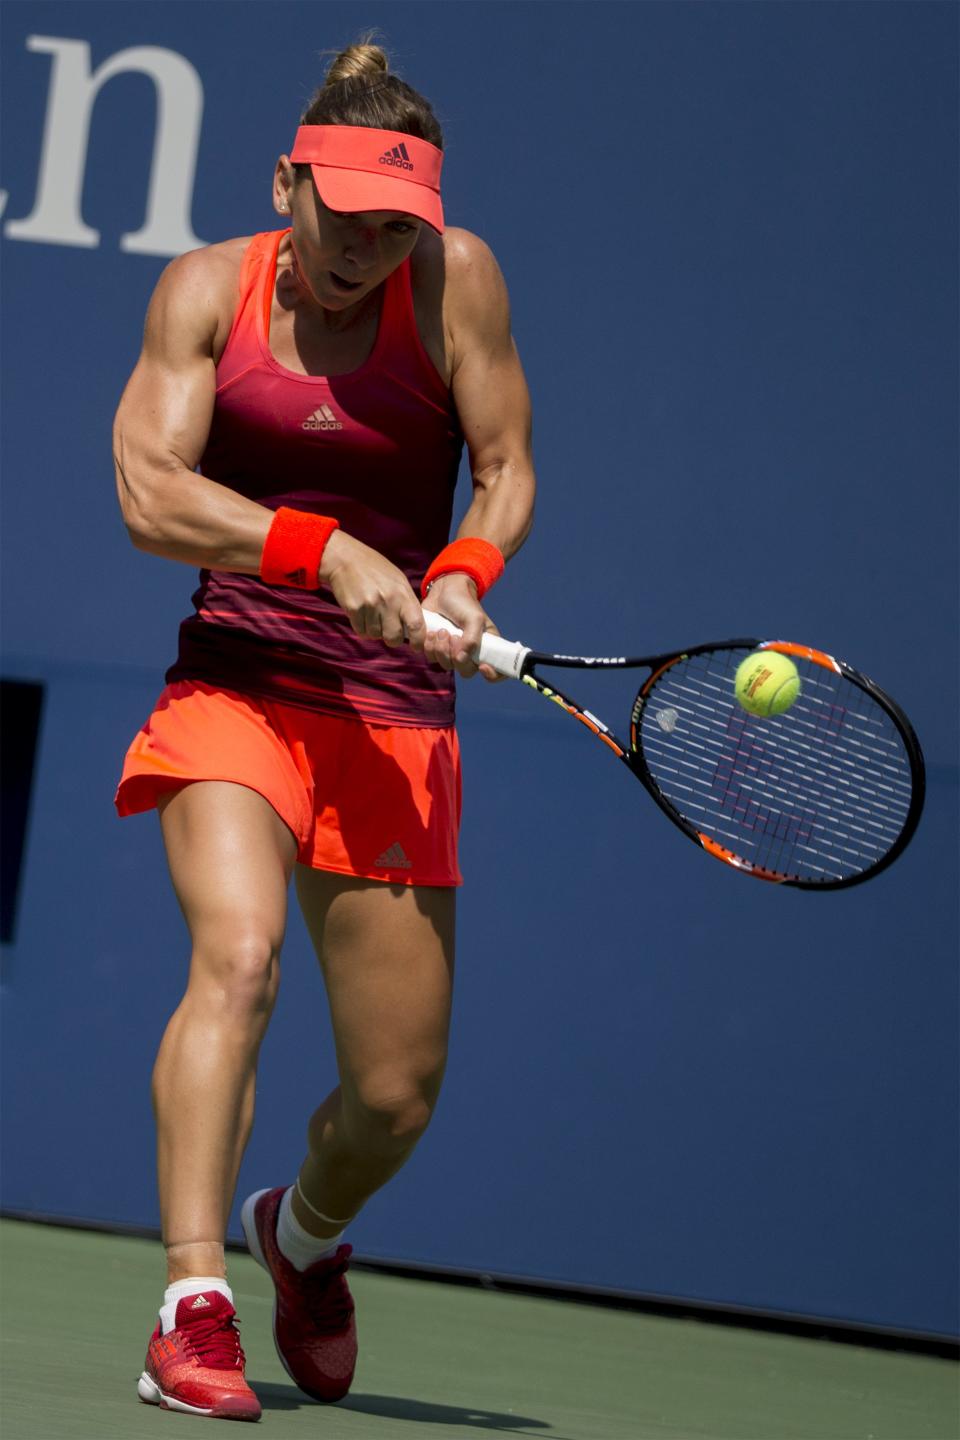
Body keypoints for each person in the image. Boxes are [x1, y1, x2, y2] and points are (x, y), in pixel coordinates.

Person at [112, 39, 535, 1423]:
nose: (366, 247)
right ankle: (192, 1306)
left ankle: (295, 1239)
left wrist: (462, 569)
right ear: (286, 181)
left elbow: (507, 464)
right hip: (236, 682)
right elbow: (151, 494)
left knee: (396, 1098)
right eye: (342, 214)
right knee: (236, 960)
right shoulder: (202, 291)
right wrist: (321, 546)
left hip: (393, 713)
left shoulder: (454, 278)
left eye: (392, 225)